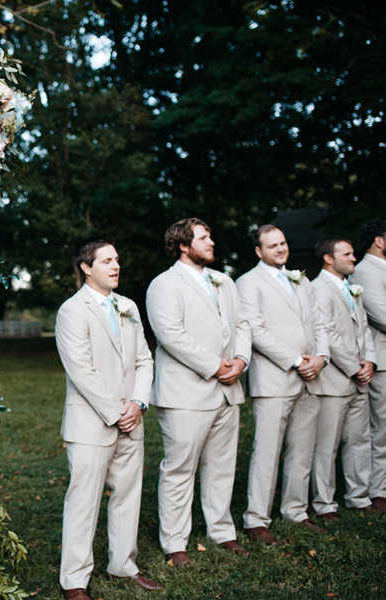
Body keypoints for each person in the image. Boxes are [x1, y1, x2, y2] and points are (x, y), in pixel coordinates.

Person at [55, 240, 163, 600]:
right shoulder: (72, 311)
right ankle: (74, 580)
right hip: (91, 423)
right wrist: (118, 413)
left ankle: (123, 564)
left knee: (128, 496)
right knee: (83, 501)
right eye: (106, 261)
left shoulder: (128, 306)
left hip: (133, 419)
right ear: (86, 268)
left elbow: (145, 360)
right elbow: (80, 370)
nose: (116, 266)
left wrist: (138, 403)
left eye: (117, 259)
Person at [145, 217, 251, 566]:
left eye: (210, 236)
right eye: (203, 238)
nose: (211, 243)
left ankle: (222, 531)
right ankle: (175, 543)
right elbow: (171, 334)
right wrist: (215, 366)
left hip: (227, 390)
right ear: (183, 245)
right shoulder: (164, 285)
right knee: (179, 469)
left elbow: (241, 324)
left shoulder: (224, 282)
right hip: (186, 393)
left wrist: (240, 360)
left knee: (222, 466)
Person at [236, 225, 329, 543]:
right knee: (267, 450)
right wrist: (296, 360)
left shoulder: (301, 280)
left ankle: (295, 510)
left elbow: (319, 322)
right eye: (272, 245)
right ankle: (256, 519)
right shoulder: (248, 283)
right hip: (275, 378)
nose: (281, 249)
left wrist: (321, 357)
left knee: (302, 450)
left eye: (284, 243)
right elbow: (255, 330)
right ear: (259, 251)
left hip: (311, 376)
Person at [310, 238, 381, 520]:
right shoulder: (317, 289)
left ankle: (358, 496)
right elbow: (326, 333)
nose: (354, 258)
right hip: (334, 379)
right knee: (327, 444)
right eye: (347, 254)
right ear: (329, 258)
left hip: (360, 378)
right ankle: (324, 503)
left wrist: (371, 361)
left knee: (359, 440)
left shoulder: (353, 290)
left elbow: (364, 329)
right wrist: (353, 367)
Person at [351, 220, 386, 512]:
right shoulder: (365, 270)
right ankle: (378, 491)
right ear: (379, 240)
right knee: (380, 428)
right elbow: (381, 313)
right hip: (382, 360)